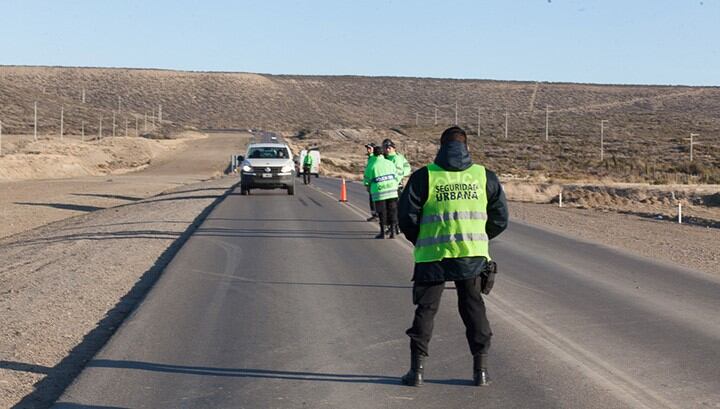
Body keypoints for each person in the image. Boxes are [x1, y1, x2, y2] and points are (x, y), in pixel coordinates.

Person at [397, 126, 509, 387]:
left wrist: (420, 238)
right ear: (466, 147)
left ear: (441, 147)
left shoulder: (425, 177)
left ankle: (417, 372)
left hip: (432, 256)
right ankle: (480, 372)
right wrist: (479, 237)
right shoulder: (484, 177)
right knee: (473, 309)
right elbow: (500, 218)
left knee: (426, 310)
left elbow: (406, 216)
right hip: (470, 256)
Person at [367, 146, 400, 239]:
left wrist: (367, 186)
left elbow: (367, 179)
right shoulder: (390, 163)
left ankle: (382, 232)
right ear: (382, 153)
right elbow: (396, 176)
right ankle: (393, 231)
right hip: (392, 191)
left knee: (382, 212)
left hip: (379, 192)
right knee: (392, 211)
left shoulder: (372, 164)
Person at [382, 139, 411, 234]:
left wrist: (395, 182)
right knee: (390, 208)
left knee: (394, 208)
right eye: (385, 147)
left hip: (396, 186)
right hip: (387, 186)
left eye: (389, 147)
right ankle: (393, 226)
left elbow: (401, 172)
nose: (387, 149)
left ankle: (395, 226)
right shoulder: (384, 158)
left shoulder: (397, 158)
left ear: (394, 148)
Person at [363, 143, 379, 221]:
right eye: (367, 148)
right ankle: (374, 214)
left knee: (374, 199)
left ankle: (376, 215)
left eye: (370, 148)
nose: (368, 150)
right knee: (371, 199)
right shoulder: (370, 158)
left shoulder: (374, 158)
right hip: (371, 182)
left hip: (375, 181)